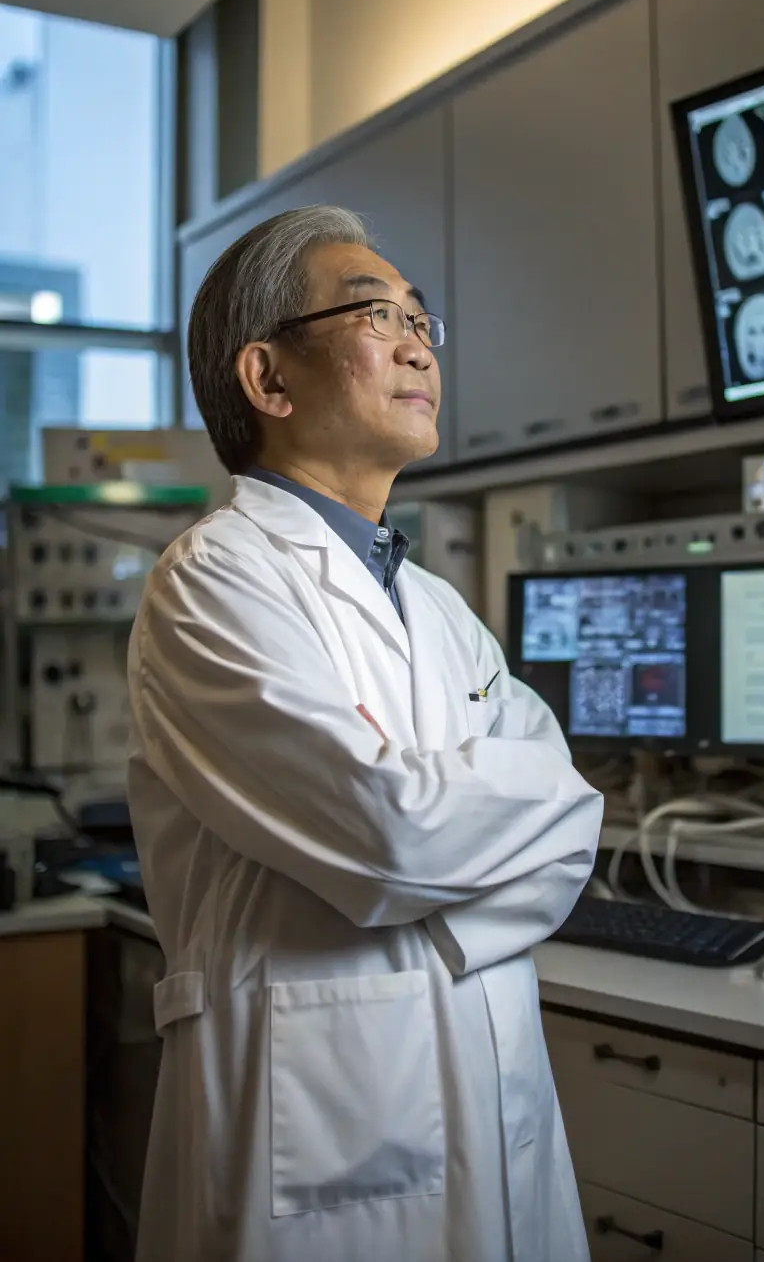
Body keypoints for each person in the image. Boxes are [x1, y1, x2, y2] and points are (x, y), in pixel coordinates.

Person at [127, 204, 604, 1262]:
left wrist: (428, 884)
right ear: (269, 378)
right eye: (375, 312)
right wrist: (463, 883)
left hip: (493, 1114)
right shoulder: (214, 579)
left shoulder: (440, 609)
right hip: (311, 1141)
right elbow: (389, 835)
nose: (415, 343)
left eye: (423, 321)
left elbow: (575, 821)